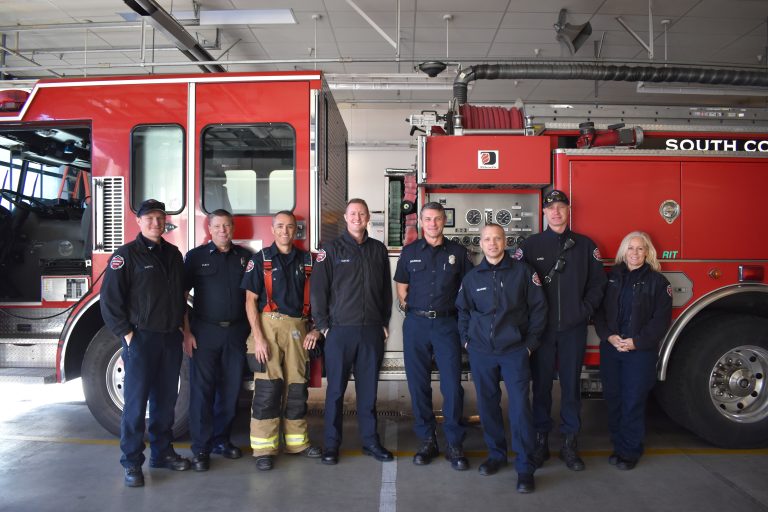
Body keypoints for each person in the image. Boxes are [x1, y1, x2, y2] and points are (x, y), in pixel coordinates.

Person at [100, 199, 190, 487]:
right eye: (149, 218)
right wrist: (127, 336)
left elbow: (181, 297)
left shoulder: (174, 255)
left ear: (166, 222)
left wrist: (183, 330)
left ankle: (162, 453)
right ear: (138, 222)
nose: (155, 223)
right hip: (141, 339)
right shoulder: (125, 256)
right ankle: (131, 463)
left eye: (159, 218)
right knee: (136, 405)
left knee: (165, 401)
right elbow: (110, 302)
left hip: (169, 338)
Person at [456, 223, 547, 493]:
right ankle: (496, 455)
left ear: (505, 241)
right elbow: (462, 311)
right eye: (487, 239)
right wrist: (467, 342)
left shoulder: (523, 272)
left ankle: (524, 467)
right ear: (480, 244)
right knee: (487, 406)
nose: (492, 244)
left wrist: (529, 346)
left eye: (497, 239)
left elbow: (539, 309)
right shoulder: (472, 278)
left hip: (514, 351)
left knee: (520, 409)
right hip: (482, 352)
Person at [520, 189, 606, 471]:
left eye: (561, 207)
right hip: (542, 331)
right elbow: (519, 286)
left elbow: (598, 284)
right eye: (550, 208)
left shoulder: (585, 245)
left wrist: (585, 310)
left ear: (569, 211)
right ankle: (541, 442)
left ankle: (570, 444)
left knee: (571, 388)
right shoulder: (531, 246)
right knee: (541, 387)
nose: (555, 212)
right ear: (543, 212)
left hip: (573, 329)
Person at [311, 198, 393, 465]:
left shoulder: (378, 250)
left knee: (368, 392)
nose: (357, 217)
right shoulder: (330, 250)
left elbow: (384, 292)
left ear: (368, 217)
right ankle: (332, 445)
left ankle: (370, 441)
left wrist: (384, 322)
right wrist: (323, 327)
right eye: (352, 213)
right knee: (335, 391)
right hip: (339, 333)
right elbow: (318, 291)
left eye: (362, 213)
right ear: (345, 218)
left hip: (370, 332)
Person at [240, 210, 323, 470]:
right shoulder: (260, 259)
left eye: (290, 227)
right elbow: (250, 302)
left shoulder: (309, 261)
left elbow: (324, 298)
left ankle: (297, 442)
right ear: (273, 230)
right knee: (268, 390)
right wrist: (260, 339)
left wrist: (317, 329)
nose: (285, 231)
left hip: (298, 329)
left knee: (298, 389)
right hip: (268, 328)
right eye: (280, 227)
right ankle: (264, 449)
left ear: (296, 231)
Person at [394, 202, 472, 470]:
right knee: (418, 385)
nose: (433, 224)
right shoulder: (410, 252)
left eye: (437, 219)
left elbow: (468, 288)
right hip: (416, 325)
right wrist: (410, 308)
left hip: (447, 324)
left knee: (451, 386)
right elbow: (401, 286)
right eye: (428, 219)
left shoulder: (459, 253)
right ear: (421, 222)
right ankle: (427, 440)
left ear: (444, 221)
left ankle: (453, 442)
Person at [594, 231, 672, 470]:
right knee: (614, 399)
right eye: (630, 248)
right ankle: (619, 446)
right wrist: (609, 336)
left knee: (633, 401)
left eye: (640, 248)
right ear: (623, 251)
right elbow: (599, 312)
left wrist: (637, 342)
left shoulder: (659, 283)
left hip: (639, 352)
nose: (635, 253)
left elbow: (660, 320)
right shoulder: (611, 278)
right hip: (612, 348)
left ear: (647, 252)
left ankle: (630, 451)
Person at [183, 209, 252, 471]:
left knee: (231, 390)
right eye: (217, 226)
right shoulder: (196, 257)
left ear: (233, 228)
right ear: (209, 229)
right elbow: (180, 295)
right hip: (204, 333)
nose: (223, 230)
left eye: (227, 225)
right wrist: (187, 332)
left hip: (236, 333)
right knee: (202, 392)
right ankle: (201, 449)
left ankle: (222, 440)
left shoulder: (245, 258)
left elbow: (254, 297)